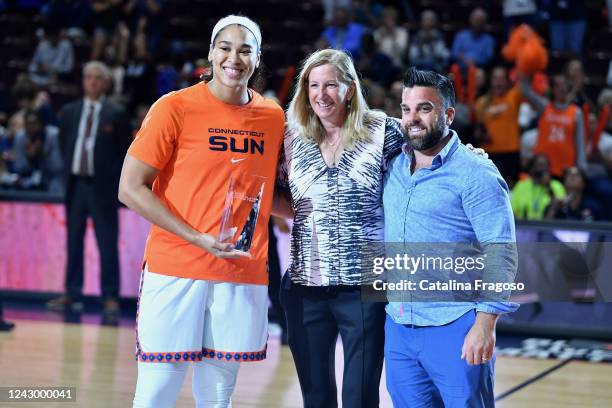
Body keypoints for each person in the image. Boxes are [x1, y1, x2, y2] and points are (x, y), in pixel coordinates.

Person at [118, 15, 285, 408]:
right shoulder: (174, 107)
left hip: (239, 272)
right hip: (175, 268)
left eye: (245, 50)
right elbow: (129, 188)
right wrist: (195, 237)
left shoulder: (273, 117)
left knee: (217, 398)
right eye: (225, 48)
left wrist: (321, 209)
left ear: (258, 59)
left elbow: (264, 192)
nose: (234, 58)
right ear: (211, 53)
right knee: (157, 391)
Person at [383, 67, 518, 407]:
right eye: (406, 108)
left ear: (448, 114)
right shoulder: (391, 164)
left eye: (424, 108)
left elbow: (501, 252)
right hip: (399, 326)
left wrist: (485, 324)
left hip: (456, 326)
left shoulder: (476, 173)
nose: (413, 118)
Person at [278, 48, 404, 408]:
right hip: (305, 286)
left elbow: (429, 151)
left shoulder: (383, 130)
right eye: (313, 85)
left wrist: (470, 153)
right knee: (315, 397)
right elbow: (266, 190)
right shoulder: (290, 138)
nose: (321, 94)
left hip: (366, 284)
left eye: (330, 84)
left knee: (360, 397)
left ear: (349, 89)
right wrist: (305, 212)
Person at [46, 61, 131, 312]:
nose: (92, 81)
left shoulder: (116, 113)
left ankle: (110, 296)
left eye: (97, 78)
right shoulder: (70, 112)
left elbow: (123, 152)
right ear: (83, 81)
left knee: (107, 243)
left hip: (102, 189)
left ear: (105, 83)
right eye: (88, 77)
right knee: (73, 242)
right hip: (76, 186)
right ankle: (72, 293)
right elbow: (65, 144)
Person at [520, 73, 587, 179]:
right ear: (552, 89)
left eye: (565, 84)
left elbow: (580, 142)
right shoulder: (544, 107)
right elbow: (526, 91)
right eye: (558, 85)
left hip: (565, 168)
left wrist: (582, 167)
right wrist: (526, 69)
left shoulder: (576, 112)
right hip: (542, 167)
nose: (562, 87)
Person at [475, 66, 522, 186]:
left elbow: (524, 80)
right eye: (495, 78)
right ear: (490, 81)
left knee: (511, 188)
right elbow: (478, 131)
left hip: (511, 151)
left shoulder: (514, 97)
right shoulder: (481, 103)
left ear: (507, 81)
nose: (498, 82)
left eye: (502, 78)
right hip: (489, 153)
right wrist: (482, 135)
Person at [511, 154, 566, 220]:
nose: (542, 169)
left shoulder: (556, 185)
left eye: (545, 166)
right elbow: (512, 210)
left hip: (548, 225)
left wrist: (548, 186)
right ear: (531, 168)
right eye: (539, 165)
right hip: (524, 226)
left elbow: (559, 207)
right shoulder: (521, 185)